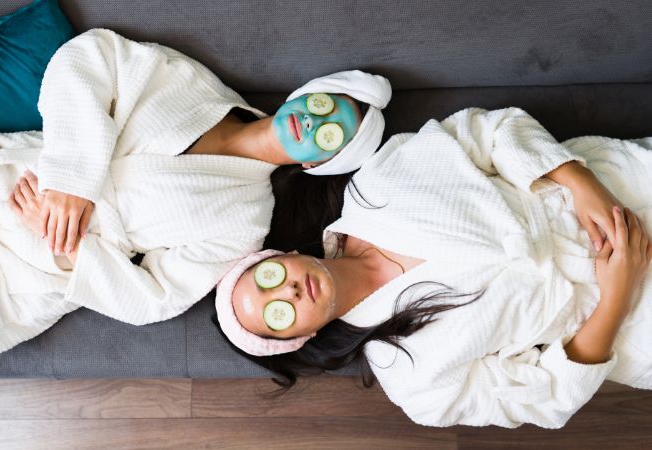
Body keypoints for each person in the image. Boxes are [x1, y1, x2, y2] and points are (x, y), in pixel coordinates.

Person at [0, 28, 392, 360]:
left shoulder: (244, 222)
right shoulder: (193, 85)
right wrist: (72, 178)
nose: (314, 122)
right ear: (308, 91)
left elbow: (152, 300)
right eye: (326, 106)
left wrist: (66, 247)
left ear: (321, 162)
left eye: (330, 136)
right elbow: (86, 56)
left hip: (23, 264)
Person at [215, 107, 652, 428]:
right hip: (632, 318)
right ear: (300, 338)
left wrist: (581, 183)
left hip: (622, 191)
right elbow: (548, 398)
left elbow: (490, 132)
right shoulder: (412, 381)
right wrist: (618, 296)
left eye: (268, 279)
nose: (287, 293)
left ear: (285, 256)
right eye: (279, 315)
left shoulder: (377, 184)